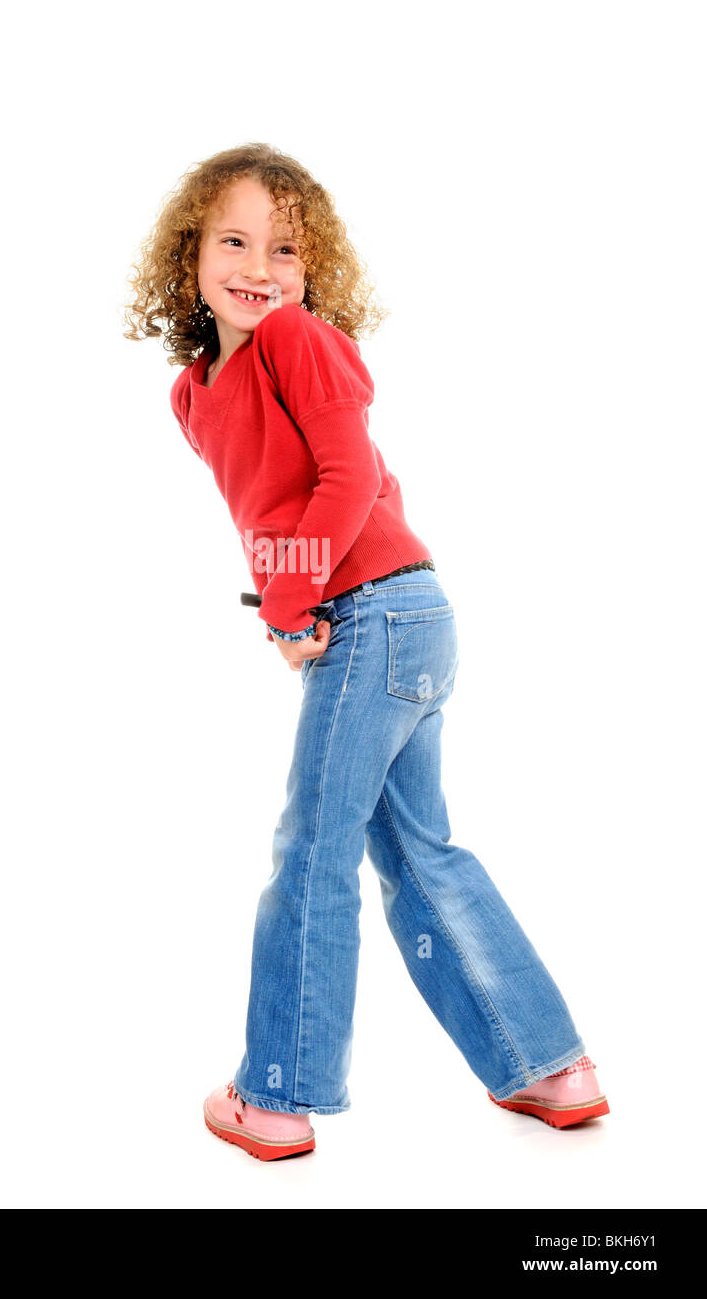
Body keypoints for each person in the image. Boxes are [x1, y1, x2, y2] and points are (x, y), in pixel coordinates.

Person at [123, 142, 609, 1160]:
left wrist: (296, 604)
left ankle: (278, 1092)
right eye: (234, 241)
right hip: (374, 619)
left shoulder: (297, 338)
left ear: (313, 267)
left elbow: (346, 479)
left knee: (312, 850)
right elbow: (266, 504)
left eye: (286, 250)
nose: (260, 266)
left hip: (381, 611)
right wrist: (284, 609)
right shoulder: (193, 392)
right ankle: (545, 1065)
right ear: (189, 254)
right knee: (416, 851)